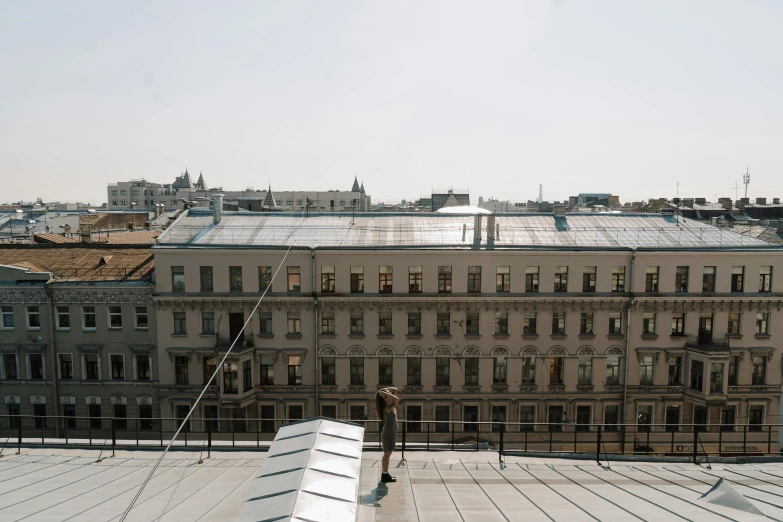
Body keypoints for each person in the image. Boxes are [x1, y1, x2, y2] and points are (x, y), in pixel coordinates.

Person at [374, 387, 399, 483]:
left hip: (391, 432)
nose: (391, 394)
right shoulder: (386, 408)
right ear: (385, 398)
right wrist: (384, 393)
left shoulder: (389, 405)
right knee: (386, 454)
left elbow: (395, 389)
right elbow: (397, 399)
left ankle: (385, 473)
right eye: (388, 394)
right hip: (388, 433)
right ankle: (384, 475)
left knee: (388, 454)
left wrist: (383, 390)